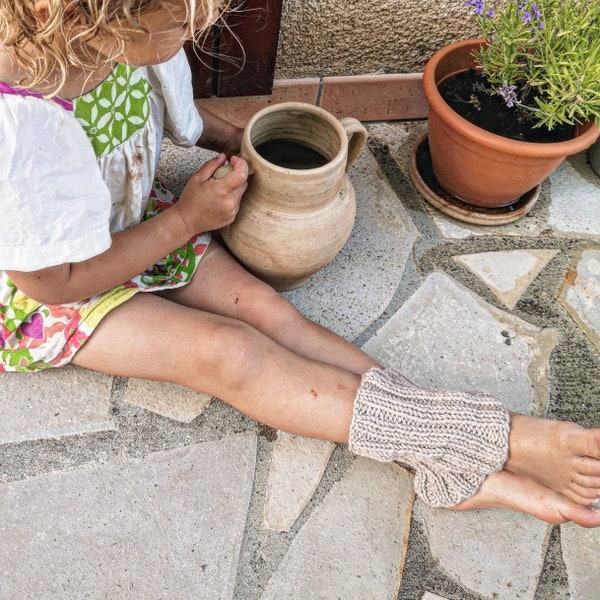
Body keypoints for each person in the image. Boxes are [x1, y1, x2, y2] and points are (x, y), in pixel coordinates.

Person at [1, 0, 600, 527]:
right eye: (178, 23)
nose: (190, 35)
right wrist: (183, 222)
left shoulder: (106, 44)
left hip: (126, 223)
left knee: (267, 311)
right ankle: (498, 439)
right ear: (83, 19)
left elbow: (157, 106)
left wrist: (236, 141)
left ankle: (440, 454)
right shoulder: (18, 132)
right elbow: (53, 283)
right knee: (228, 352)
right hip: (43, 286)